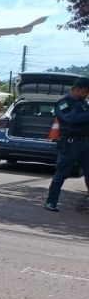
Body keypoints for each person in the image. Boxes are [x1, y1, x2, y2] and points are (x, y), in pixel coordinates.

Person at [44, 77, 89, 212]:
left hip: (86, 143)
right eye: (87, 91)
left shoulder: (84, 103)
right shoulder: (63, 103)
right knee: (62, 173)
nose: (87, 94)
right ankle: (51, 202)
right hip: (71, 144)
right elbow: (71, 118)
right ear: (79, 89)